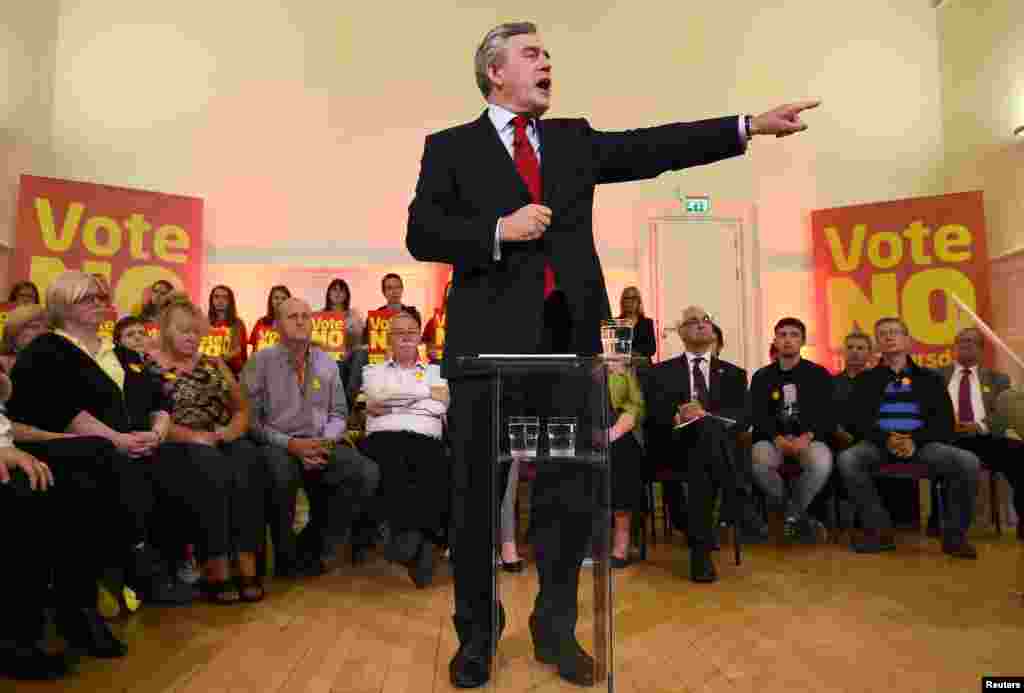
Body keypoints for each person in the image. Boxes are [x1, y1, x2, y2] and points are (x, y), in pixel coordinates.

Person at [406, 20, 816, 688]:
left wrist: (748, 125)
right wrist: (495, 230)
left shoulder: (572, 139)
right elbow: (421, 231)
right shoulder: (449, 147)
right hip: (485, 357)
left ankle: (555, 630)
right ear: (494, 73)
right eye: (532, 54)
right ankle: (476, 639)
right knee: (477, 498)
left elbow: (654, 147)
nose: (546, 63)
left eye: (547, 53)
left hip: (567, 355)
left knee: (568, 497)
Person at [242, 297, 380, 577]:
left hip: (320, 442)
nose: (302, 321)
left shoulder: (327, 362)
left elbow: (339, 412)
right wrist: (291, 445)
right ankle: (284, 555)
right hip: (278, 444)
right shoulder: (261, 362)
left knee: (365, 472)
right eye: (293, 316)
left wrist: (323, 443)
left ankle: (314, 545)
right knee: (279, 474)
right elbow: (251, 422)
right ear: (278, 325)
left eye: (306, 316)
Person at [143, 293, 267, 603]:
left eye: (196, 331)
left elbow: (241, 408)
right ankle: (216, 566)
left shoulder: (214, 364)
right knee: (212, 468)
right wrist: (193, 437)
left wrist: (229, 432)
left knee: (248, 463)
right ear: (166, 331)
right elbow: (147, 416)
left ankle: (247, 563)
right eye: (184, 330)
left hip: (217, 437)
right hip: (175, 442)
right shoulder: (150, 366)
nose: (191, 337)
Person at [837, 317, 981, 558]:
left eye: (895, 332)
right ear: (878, 344)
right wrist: (887, 439)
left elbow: (943, 423)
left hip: (922, 445)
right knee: (848, 459)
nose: (889, 337)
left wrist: (914, 440)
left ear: (907, 340)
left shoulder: (930, 378)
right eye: (883, 334)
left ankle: (955, 536)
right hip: (879, 445)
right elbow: (857, 422)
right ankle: (879, 531)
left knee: (968, 462)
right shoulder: (865, 380)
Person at [642, 306, 767, 582]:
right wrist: (677, 415)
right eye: (693, 321)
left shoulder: (734, 374)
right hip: (674, 447)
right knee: (705, 441)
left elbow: (744, 417)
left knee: (707, 438)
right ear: (682, 332)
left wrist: (711, 420)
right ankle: (736, 500)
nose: (701, 325)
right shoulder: (660, 372)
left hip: (711, 451)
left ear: (712, 331)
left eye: (706, 320)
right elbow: (651, 414)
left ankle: (700, 553)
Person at [360, 310, 450, 588]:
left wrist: (393, 402)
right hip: (383, 439)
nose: (407, 336)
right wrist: (425, 393)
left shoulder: (437, 371)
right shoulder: (371, 370)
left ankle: (407, 544)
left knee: (433, 465)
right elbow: (376, 397)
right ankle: (417, 545)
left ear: (420, 336)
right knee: (395, 460)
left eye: (412, 331)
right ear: (388, 339)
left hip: (426, 440)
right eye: (400, 332)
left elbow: (441, 405)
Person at [748, 318, 835, 543]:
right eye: (783, 335)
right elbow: (757, 415)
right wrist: (776, 438)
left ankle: (790, 514)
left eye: (794, 335)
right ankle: (794, 512)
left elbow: (828, 413)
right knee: (758, 460)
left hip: (808, 439)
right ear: (775, 341)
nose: (787, 339)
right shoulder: (762, 376)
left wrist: (807, 437)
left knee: (821, 462)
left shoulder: (818, 374)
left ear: (803, 341)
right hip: (772, 439)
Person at [935, 327, 1022, 541]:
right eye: (960, 341)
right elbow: (927, 409)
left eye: (971, 341)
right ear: (954, 347)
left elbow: (1003, 415)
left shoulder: (998, 380)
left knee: (1019, 453)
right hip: (946, 438)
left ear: (981, 350)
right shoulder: (936, 376)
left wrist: (979, 426)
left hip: (983, 439)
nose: (965, 344)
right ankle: (940, 520)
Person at [349, 273, 423, 399]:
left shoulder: (412, 313)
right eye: (389, 288)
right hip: (379, 356)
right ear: (384, 292)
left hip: (404, 353)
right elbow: (365, 343)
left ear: (402, 289)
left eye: (397, 287)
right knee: (360, 355)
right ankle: (349, 405)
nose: (394, 291)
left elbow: (416, 339)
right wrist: (367, 347)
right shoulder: (375, 316)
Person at [605, 358, 647, 567]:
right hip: (582, 424)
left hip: (621, 426)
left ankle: (622, 539)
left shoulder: (634, 363)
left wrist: (616, 430)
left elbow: (636, 404)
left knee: (622, 448)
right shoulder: (581, 359)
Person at [207, 285, 248, 376]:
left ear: (230, 301)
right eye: (216, 297)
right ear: (211, 300)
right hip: (208, 372)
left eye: (224, 297)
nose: (220, 301)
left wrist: (218, 360)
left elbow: (237, 350)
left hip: (231, 372)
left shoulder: (237, 323)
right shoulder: (204, 322)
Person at [0, 304, 48, 372]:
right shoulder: (2, 365)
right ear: (14, 332)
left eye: (47, 327)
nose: (43, 331)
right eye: (35, 327)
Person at [248, 285, 291, 353]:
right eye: (276, 298)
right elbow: (254, 350)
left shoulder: (293, 325)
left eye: (284, 298)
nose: (279, 301)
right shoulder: (260, 322)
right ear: (271, 301)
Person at [618, 287, 656, 362]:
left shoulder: (647, 322)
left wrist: (634, 353)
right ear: (622, 302)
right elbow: (615, 349)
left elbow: (652, 349)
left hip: (643, 366)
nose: (630, 301)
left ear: (639, 301)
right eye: (627, 298)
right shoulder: (616, 323)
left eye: (634, 298)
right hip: (623, 366)